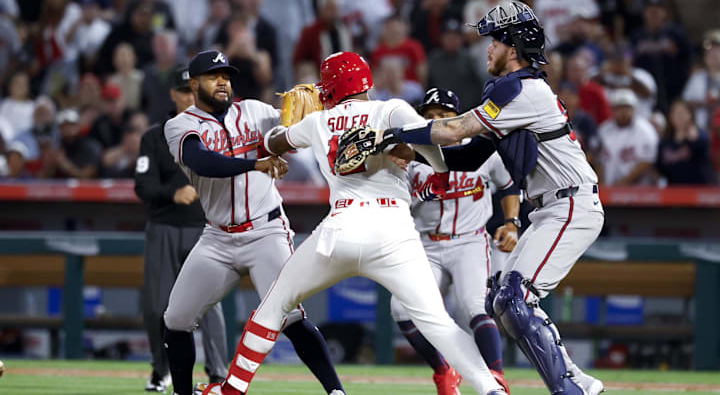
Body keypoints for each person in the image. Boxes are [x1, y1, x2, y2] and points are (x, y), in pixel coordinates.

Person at [203, 52, 508, 395]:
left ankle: (231, 389)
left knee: (274, 306)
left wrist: (287, 128)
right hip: (395, 231)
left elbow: (273, 141)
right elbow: (428, 135)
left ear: (330, 86)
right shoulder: (389, 108)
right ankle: (490, 389)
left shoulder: (318, 121)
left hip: (342, 228)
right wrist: (438, 171)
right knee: (438, 323)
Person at [368, 1, 605, 395]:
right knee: (502, 300)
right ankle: (578, 382)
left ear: (513, 48)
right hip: (552, 207)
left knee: (515, 298)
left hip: (570, 204)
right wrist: (413, 152)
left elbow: (454, 130)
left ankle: (569, 389)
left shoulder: (524, 89)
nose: (487, 49)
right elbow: (471, 155)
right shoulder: (511, 90)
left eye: (494, 41)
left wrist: (396, 133)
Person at [162, 50, 344, 395]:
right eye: (214, 76)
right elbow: (202, 162)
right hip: (217, 238)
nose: (222, 82)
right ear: (194, 83)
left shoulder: (257, 112)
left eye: (226, 76)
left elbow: (295, 133)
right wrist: (254, 163)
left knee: (289, 316)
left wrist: (323, 112)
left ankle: (336, 391)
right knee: (176, 319)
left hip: (266, 232)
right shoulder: (180, 125)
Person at [389, 87, 520, 395]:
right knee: (401, 310)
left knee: (474, 307)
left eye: (444, 115)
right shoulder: (411, 154)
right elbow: (396, 202)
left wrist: (512, 222)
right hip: (426, 243)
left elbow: (509, 186)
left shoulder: (481, 149)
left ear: (457, 118)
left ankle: (496, 378)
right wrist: (419, 193)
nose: (436, 120)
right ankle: (444, 370)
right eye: (430, 115)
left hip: (469, 242)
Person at [134, 66, 229, 393]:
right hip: (164, 226)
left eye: (193, 90)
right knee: (157, 306)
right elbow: (142, 185)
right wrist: (171, 193)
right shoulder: (154, 136)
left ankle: (219, 376)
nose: (190, 97)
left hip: (206, 228)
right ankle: (161, 371)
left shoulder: (216, 129)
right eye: (185, 91)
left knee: (210, 306)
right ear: (174, 94)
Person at [597, 89, 658, 186]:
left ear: (634, 109)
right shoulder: (604, 129)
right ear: (612, 110)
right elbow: (598, 160)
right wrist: (602, 185)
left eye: (627, 108)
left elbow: (646, 162)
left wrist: (620, 185)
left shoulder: (645, 130)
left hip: (638, 191)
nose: (623, 112)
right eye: (619, 108)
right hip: (608, 189)